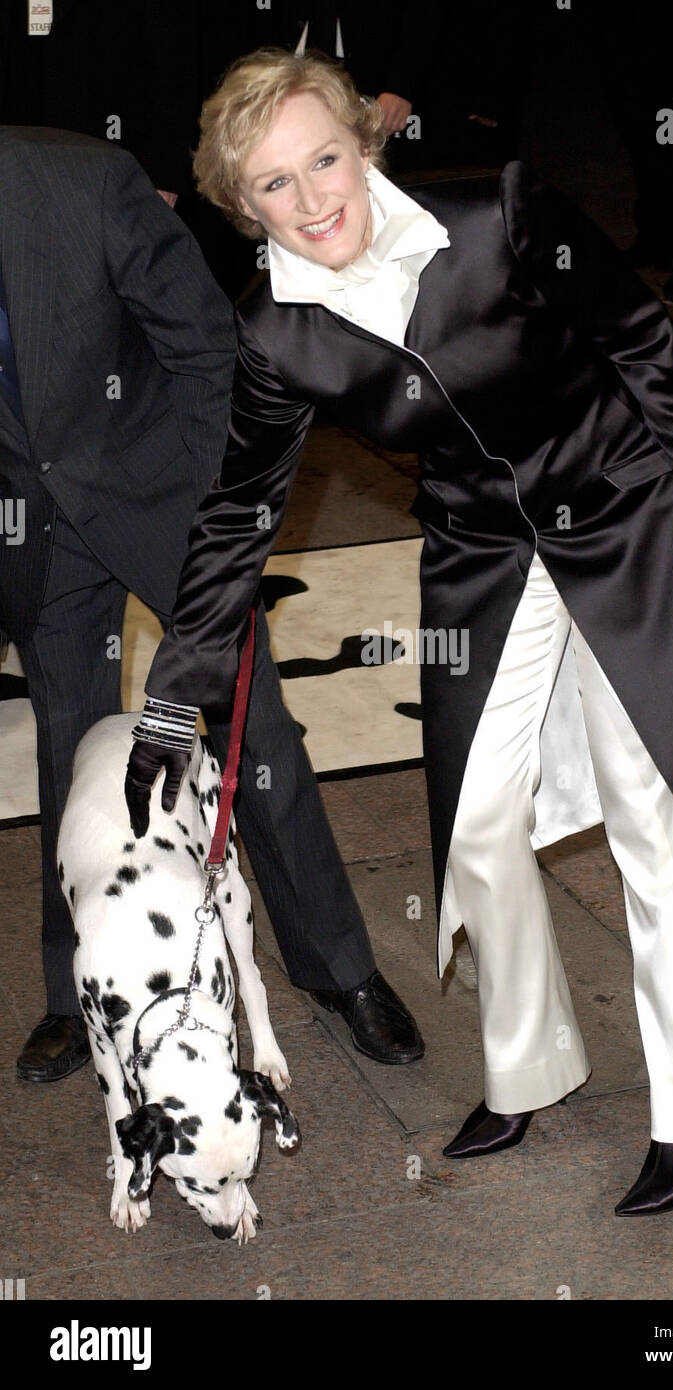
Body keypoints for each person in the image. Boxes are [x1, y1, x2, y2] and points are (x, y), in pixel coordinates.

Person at [125, 48, 673, 1216]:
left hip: (620, 506)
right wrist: (176, 695)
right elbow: (236, 514)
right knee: (476, 823)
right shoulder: (273, 332)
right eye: (274, 185)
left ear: (365, 142)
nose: (314, 199)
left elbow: (646, 343)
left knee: (649, 807)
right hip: (480, 546)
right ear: (240, 206)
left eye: (324, 158)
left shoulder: (501, 214)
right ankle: (530, 1067)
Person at [0, 123, 423, 1083]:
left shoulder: (83, 182)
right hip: (35, 522)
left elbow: (208, 354)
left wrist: (211, 520)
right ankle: (78, 991)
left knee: (250, 728)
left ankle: (335, 967)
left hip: (157, 491)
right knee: (69, 751)